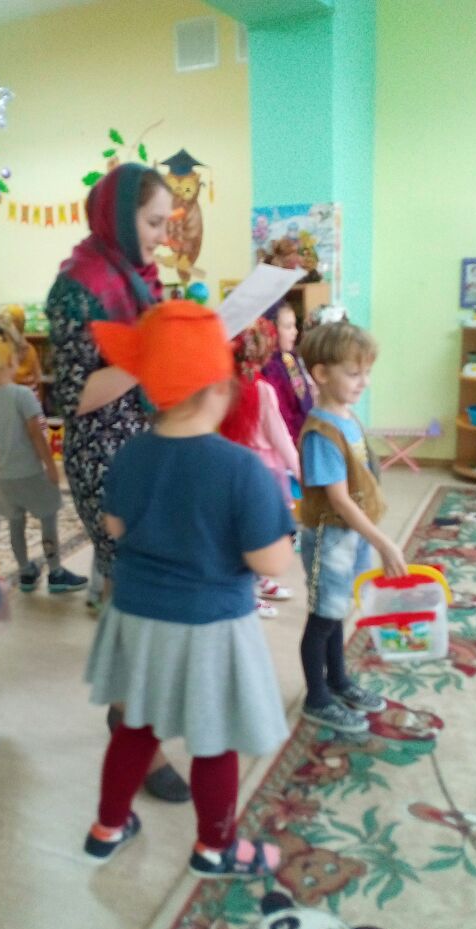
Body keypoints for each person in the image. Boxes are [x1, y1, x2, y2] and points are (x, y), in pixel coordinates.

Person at [81, 301, 294, 874]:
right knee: (213, 738)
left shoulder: (131, 454)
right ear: (219, 388)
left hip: (136, 618)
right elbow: (272, 561)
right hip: (208, 626)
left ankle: (107, 828)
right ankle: (215, 848)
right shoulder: (241, 468)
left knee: (135, 728)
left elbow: (114, 527)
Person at [47, 161, 190, 803]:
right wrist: (148, 355)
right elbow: (73, 396)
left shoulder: (140, 279)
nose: (162, 235)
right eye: (154, 222)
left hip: (151, 444)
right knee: (136, 596)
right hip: (107, 457)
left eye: (166, 223)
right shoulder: (77, 288)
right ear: (120, 217)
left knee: (148, 593)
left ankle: (133, 708)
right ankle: (137, 728)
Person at [297, 322, 407, 734]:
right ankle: (317, 697)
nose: (365, 382)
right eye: (354, 373)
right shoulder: (321, 433)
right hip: (330, 539)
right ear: (322, 374)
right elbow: (340, 501)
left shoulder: (346, 417)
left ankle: (338, 681)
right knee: (322, 617)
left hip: (352, 535)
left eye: (367, 372)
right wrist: (384, 543)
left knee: (338, 610)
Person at [0, 322, 87, 595]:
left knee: (15, 523)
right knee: (48, 517)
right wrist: (51, 467)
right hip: (31, 473)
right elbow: (37, 435)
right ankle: (55, 571)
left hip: (4, 477)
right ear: (11, 361)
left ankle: (25, 571)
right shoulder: (23, 395)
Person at [219, 317, 299, 613]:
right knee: (260, 532)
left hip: (234, 466)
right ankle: (249, 588)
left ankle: (257, 581)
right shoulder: (262, 389)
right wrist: (300, 470)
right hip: (264, 471)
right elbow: (279, 435)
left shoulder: (226, 386)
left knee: (243, 529)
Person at [261, 301, 316, 445]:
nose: (295, 331)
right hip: (289, 443)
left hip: (305, 433)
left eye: (294, 325)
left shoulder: (290, 358)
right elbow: (281, 416)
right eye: (288, 327)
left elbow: (303, 399)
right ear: (272, 330)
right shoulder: (269, 367)